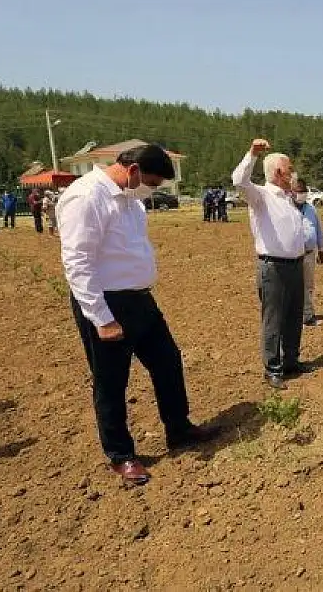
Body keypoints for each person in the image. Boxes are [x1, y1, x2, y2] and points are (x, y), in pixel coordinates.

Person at [57, 144, 216, 486]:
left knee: (168, 362)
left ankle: (179, 427)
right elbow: (77, 263)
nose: (153, 189)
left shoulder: (131, 200)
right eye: (153, 182)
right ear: (132, 171)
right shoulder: (86, 197)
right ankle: (121, 455)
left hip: (141, 301)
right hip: (106, 303)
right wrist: (102, 318)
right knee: (111, 381)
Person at [231, 139, 313, 390]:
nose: (293, 173)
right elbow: (239, 181)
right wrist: (252, 154)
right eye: (290, 169)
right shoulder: (261, 196)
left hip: (295, 266)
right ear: (279, 173)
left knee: (293, 316)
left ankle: (291, 360)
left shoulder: (289, 199)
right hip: (273, 268)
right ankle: (272, 368)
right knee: (274, 320)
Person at [293, 177, 323, 327]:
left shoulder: (311, 209)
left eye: (304, 191)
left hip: (309, 253)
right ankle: (296, 316)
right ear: (292, 192)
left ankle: (308, 314)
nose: (302, 194)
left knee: (309, 285)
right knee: (295, 286)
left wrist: (322, 248)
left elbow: (318, 229)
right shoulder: (288, 209)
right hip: (293, 255)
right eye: (299, 191)